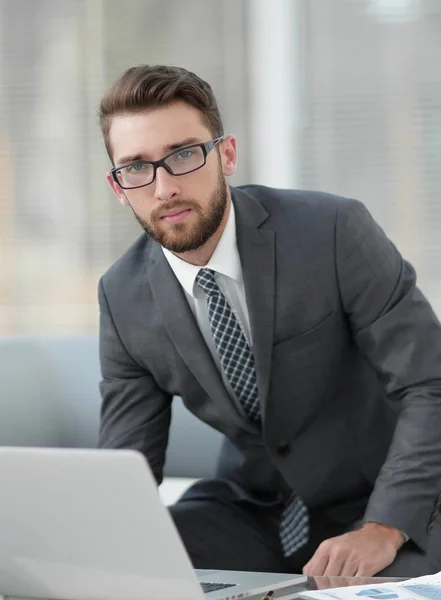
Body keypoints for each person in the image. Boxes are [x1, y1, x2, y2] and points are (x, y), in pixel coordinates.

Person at [97, 64, 441, 577]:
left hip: (387, 495)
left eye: (184, 154)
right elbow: (127, 470)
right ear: (119, 186)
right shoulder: (122, 295)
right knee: (130, 568)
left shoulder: (332, 232)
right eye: (137, 168)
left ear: (227, 154)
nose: (164, 187)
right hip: (256, 507)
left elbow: (429, 384)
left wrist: (383, 528)